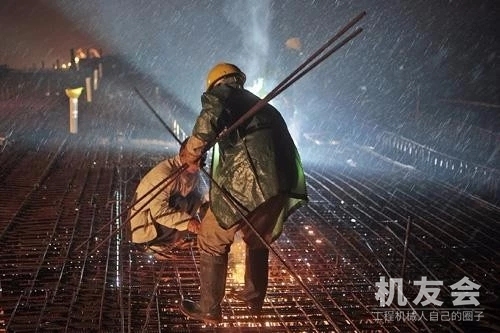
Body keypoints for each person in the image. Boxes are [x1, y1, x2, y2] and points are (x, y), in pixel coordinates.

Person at [179, 63, 308, 324]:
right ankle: (254, 298)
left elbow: (209, 118)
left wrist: (191, 154)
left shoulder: (224, 95)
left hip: (246, 183)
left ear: (218, 83)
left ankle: (209, 308)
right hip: (280, 184)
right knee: (258, 238)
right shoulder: (263, 107)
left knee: (211, 236)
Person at [129, 138, 206, 252]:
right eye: (195, 161)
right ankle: (160, 243)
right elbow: (159, 211)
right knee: (181, 201)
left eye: (202, 161)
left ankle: (172, 238)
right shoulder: (165, 174)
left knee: (196, 197)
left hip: (157, 224)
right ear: (183, 154)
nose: (198, 166)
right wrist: (188, 223)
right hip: (144, 230)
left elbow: (203, 198)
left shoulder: (194, 173)